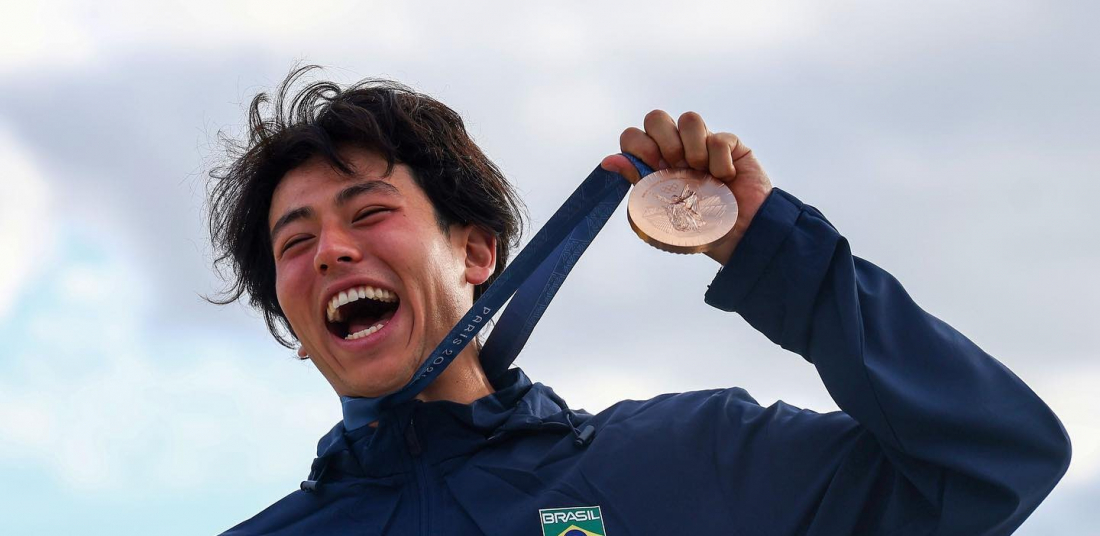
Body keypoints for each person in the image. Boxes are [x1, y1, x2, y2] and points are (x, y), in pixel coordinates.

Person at [208, 67, 1070, 535]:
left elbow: (994, 464)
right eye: (295, 244)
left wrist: (778, 252)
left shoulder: (696, 462)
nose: (332, 251)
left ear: (476, 252)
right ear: (294, 326)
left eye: (369, 213)